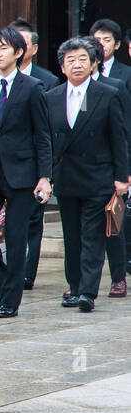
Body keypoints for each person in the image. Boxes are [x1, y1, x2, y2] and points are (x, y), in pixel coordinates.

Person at [0, 27, 53, 319]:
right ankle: (6, 281)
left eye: (3, 48)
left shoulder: (32, 87)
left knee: (17, 237)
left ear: (18, 52)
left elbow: (42, 135)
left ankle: (10, 299)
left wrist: (45, 176)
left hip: (22, 173)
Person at [46, 37, 129, 313]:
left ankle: (87, 292)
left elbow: (119, 138)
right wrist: (45, 176)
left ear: (93, 63)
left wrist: (122, 176)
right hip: (67, 177)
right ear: (62, 67)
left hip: (98, 176)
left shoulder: (108, 93)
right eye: (70, 60)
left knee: (92, 234)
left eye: (83, 59)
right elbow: (46, 141)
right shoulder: (51, 98)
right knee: (71, 236)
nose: (77, 64)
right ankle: (75, 285)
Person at [10, 18, 59, 291]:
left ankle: (28, 273)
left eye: (22, 43)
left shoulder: (47, 80)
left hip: (32, 159)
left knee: (32, 220)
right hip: (5, 162)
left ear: (32, 49)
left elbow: (47, 129)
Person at [91, 19, 131, 297]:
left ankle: (118, 276)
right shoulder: (73, 81)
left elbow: (125, 126)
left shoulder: (123, 78)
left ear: (117, 44)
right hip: (82, 164)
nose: (100, 45)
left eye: (106, 40)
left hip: (111, 161)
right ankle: (82, 282)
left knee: (113, 223)